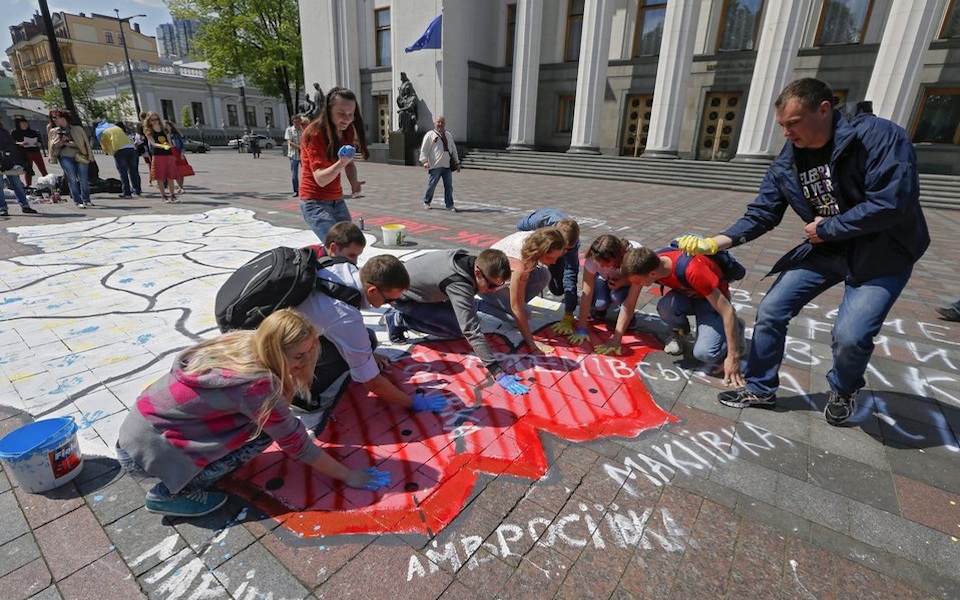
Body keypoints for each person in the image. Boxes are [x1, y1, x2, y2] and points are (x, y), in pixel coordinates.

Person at [677, 78, 929, 426]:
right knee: (771, 310)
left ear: (824, 110)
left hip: (884, 253)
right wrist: (716, 242)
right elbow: (763, 212)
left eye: (793, 124)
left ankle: (843, 388)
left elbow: (892, 203)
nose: (786, 133)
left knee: (850, 336)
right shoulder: (789, 160)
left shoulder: (879, 137)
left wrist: (826, 228)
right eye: (781, 125)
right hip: (827, 249)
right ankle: (761, 388)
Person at [115, 308, 392, 518]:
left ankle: (180, 468)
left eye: (309, 352)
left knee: (260, 423)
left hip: (136, 433)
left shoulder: (248, 341)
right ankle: (169, 493)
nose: (306, 362)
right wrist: (347, 476)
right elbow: (297, 444)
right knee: (260, 435)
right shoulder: (258, 385)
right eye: (298, 356)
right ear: (275, 349)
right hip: (144, 455)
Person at [294, 254, 448, 414]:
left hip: (281, 325)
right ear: (372, 290)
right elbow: (372, 382)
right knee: (346, 355)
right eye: (388, 301)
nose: (393, 304)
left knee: (367, 339)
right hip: (278, 348)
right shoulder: (345, 316)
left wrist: (368, 355)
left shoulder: (344, 268)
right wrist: (411, 402)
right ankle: (300, 395)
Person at [381, 249, 530, 395]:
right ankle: (399, 319)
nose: (493, 290)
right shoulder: (459, 283)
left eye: (499, 285)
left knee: (462, 316)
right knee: (459, 328)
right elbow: (471, 331)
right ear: (478, 273)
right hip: (402, 298)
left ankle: (416, 313)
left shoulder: (472, 263)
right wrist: (496, 371)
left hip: (422, 288)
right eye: (491, 285)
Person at [620, 247, 745, 380]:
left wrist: (733, 356)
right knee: (665, 307)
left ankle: (738, 327)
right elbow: (629, 304)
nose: (638, 285)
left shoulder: (693, 270)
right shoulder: (648, 264)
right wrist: (616, 339)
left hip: (711, 302)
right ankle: (679, 333)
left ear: (652, 274)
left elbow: (727, 311)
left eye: (638, 282)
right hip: (687, 295)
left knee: (706, 354)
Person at [477, 228, 567, 354]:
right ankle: (479, 305)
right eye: (550, 257)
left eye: (557, 258)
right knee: (524, 315)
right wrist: (532, 343)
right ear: (540, 251)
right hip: (486, 285)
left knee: (544, 275)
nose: (554, 262)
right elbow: (516, 307)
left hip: (502, 276)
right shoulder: (522, 264)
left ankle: (507, 303)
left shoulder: (536, 239)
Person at [299, 87, 369, 244]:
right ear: (328, 110)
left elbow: (349, 164)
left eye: (351, 114)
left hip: (337, 200)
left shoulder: (347, 131)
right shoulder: (314, 133)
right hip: (314, 202)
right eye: (341, 113)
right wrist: (341, 163)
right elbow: (320, 179)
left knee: (352, 244)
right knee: (338, 248)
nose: (346, 119)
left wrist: (354, 183)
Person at [567, 235, 644, 356]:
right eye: (599, 263)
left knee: (617, 297)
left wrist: (616, 340)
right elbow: (586, 293)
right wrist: (581, 328)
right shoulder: (593, 258)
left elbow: (630, 302)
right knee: (600, 304)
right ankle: (602, 308)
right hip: (604, 280)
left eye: (607, 263)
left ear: (618, 257)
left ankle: (627, 317)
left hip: (627, 282)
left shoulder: (636, 257)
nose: (602, 266)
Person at [516, 209, 580, 332]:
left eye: (568, 249)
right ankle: (518, 302)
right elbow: (520, 227)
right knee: (528, 275)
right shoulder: (542, 220)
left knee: (557, 289)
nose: (565, 252)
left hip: (553, 248)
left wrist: (568, 313)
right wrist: (536, 251)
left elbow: (571, 273)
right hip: (539, 244)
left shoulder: (573, 244)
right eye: (564, 249)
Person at [47, 110, 94, 209]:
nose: (55, 120)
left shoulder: (77, 129)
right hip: (65, 157)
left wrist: (67, 143)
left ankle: (87, 199)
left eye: (57, 117)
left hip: (80, 156)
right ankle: (78, 201)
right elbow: (52, 147)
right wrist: (60, 141)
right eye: (53, 118)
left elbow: (84, 144)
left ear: (63, 118)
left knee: (83, 179)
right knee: (72, 179)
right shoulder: (53, 131)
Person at [419, 115, 461, 211]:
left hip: (447, 166)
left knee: (449, 187)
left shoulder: (448, 135)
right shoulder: (430, 135)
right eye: (438, 122)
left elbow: (453, 149)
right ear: (435, 123)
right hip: (435, 165)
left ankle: (449, 205)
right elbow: (424, 149)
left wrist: (457, 162)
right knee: (432, 185)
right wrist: (424, 161)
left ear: (445, 124)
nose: (440, 124)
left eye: (442, 122)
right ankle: (426, 201)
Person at [1, 120, 38, 216]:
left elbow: (11, 145)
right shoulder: (4, 131)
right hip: (7, 159)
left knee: (16, 183)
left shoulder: (3, 131)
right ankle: (3, 207)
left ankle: (24, 205)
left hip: (7, 159)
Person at [95, 121, 141, 198]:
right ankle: (137, 190)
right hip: (131, 148)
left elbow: (104, 145)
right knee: (134, 171)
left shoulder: (102, 132)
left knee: (123, 172)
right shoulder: (117, 128)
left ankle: (127, 192)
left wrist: (108, 151)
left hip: (119, 150)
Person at [142, 112, 178, 203]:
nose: (155, 121)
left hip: (168, 154)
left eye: (156, 119)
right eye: (152, 120)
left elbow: (169, 141)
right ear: (149, 121)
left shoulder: (164, 129)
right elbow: (153, 143)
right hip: (158, 154)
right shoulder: (148, 130)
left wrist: (170, 146)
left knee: (170, 176)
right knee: (160, 177)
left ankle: (173, 195)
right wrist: (162, 146)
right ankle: (163, 196)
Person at [303, 221, 367, 264]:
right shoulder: (307, 260)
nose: (355, 262)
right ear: (333, 248)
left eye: (357, 256)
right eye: (351, 255)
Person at [12, 117, 47, 187]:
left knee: (42, 168)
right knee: (28, 169)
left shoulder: (33, 132)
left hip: (35, 151)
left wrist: (38, 144)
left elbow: (39, 141)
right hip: (25, 152)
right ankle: (28, 185)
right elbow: (13, 142)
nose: (25, 125)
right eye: (22, 124)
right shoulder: (15, 132)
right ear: (18, 125)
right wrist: (20, 143)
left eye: (25, 123)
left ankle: (47, 181)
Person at [164, 120, 188, 194]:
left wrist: (182, 153)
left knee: (181, 170)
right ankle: (180, 187)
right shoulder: (163, 135)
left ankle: (181, 186)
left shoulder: (176, 134)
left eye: (167, 126)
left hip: (177, 152)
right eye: (164, 126)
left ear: (170, 126)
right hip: (170, 153)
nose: (166, 127)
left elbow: (181, 144)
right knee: (175, 170)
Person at [284, 116, 304, 196]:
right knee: (294, 174)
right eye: (295, 122)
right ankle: (296, 190)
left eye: (298, 122)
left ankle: (304, 189)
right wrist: (300, 147)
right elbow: (290, 142)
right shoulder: (289, 130)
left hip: (303, 154)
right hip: (293, 154)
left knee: (306, 173)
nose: (297, 124)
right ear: (293, 122)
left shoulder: (302, 130)